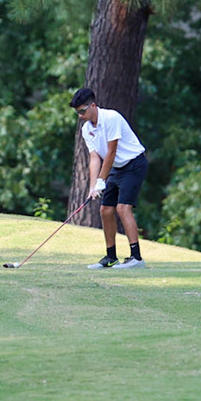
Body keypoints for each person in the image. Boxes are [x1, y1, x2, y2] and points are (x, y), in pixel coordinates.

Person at [73, 85, 149, 269]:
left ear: (93, 105)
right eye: (77, 113)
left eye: (82, 111)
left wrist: (101, 181)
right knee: (105, 210)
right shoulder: (86, 129)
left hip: (133, 164)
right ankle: (111, 257)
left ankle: (136, 258)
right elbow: (94, 157)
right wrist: (93, 186)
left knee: (123, 208)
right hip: (115, 167)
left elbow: (111, 151)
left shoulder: (111, 118)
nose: (80, 116)